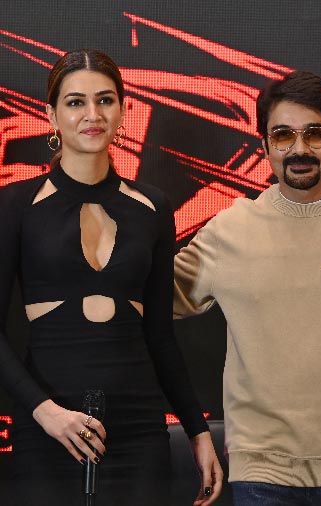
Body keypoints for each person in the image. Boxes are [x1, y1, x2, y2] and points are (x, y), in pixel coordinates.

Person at [0, 49, 222, 505]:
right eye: (76, 102)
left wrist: (198, 431)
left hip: (138, 428)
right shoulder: (15, 205)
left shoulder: (153, 207)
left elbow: (160, 336)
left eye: (105, 100)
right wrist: (45, 413)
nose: (92, 114)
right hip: (46, 427)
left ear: (123, 110)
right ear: (52, 115)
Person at [173, 70, 321, 505]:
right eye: (283, 135)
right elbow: (150, 300)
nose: (299, 149)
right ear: (264, 144)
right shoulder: (229, 230)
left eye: (314, 133)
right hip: (263, 471)